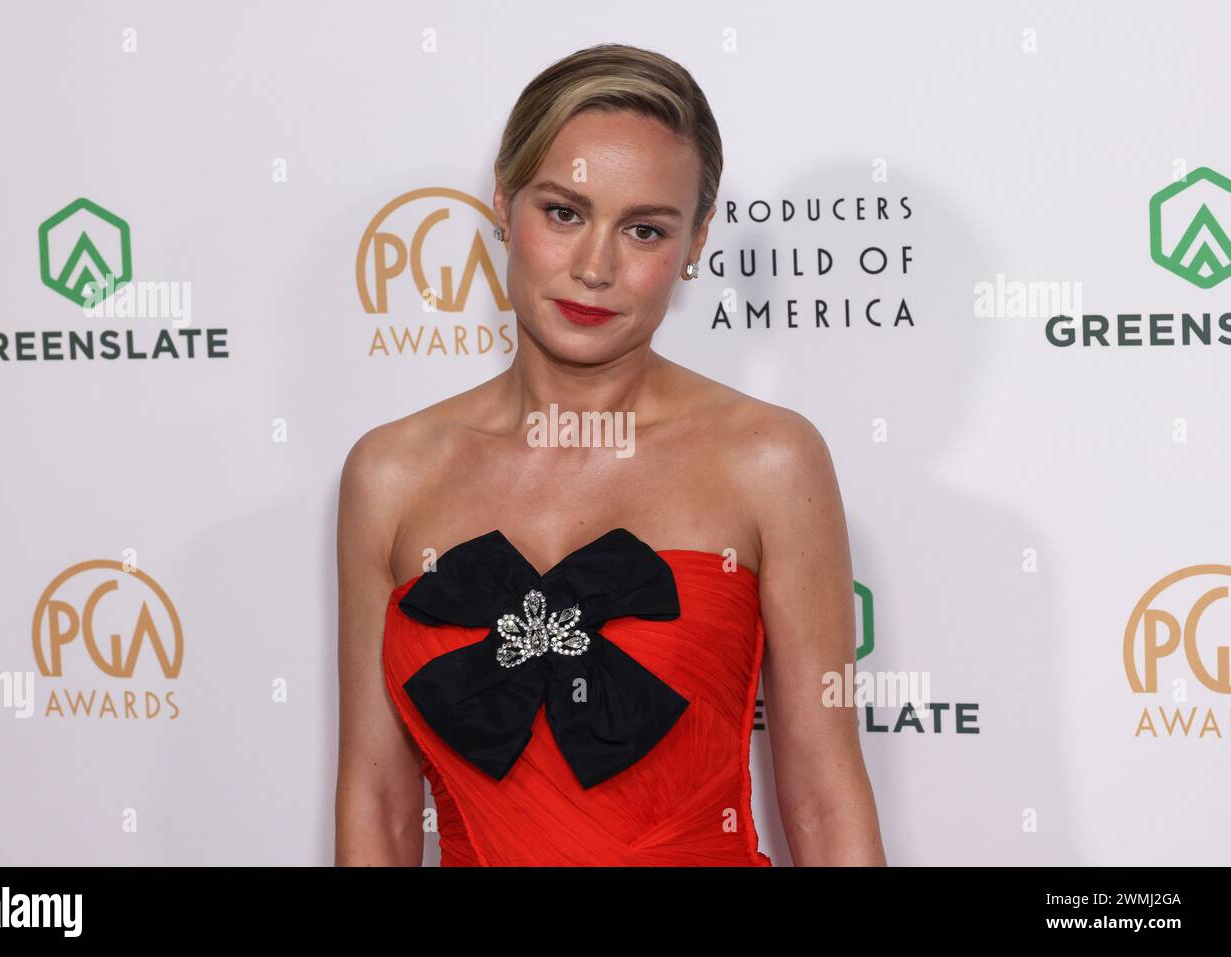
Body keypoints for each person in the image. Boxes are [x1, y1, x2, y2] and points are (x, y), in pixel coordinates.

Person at [335, 42, 886, 866]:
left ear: (696, 241)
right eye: (563, 212)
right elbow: (377, 804)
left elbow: (823, 802)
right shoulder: (390, 472)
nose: (595, 268)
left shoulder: (770, 459)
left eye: (644, 229)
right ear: (501, 201)